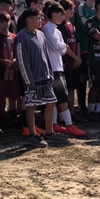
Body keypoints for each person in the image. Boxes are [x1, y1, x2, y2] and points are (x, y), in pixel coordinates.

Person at [15, 8, 60, 147]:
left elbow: (46, 55)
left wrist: (50, 72)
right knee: (31, 105)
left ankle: (49, 132)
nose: (41, 21)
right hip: (32, 79)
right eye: (38, 18)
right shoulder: (22, 36)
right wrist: (28, 80)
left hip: (45, 77)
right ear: (29, 19)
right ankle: (32, 133)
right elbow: (21, 60)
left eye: (41, 18)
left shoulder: (41, 35)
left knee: (51, 102)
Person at [43, 1, 85, 137]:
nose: (63, 17)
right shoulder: (48, 29)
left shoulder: (56, 30)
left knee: (58, 98)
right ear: (54, 15)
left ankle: (55, 123)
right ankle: (68, 124)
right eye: (61, 14)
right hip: (53, 68)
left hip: (58, 66)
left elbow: (61, 49)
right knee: (61, 99)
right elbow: (57, 46)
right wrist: (64, 46)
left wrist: (63, 46)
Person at [0, 12, 20, 132]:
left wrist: (15, 61)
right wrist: (3, 61)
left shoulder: (14, 37)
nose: (4, 24)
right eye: (1, 22)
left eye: (6, 22)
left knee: (13, 96)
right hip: (0, 73)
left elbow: (18, 53)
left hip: (13, 72)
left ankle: (13, 118)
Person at [58, 0, 82, 124]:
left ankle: (71, 112)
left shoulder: (71, 25)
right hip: (65, 63)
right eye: (70, 9)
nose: (72, 11)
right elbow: (64, 46)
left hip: (74, 62)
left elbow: (77, 42)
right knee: (64, 90)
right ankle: (63, 115)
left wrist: (78, 57)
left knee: (72, 88)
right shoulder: (60, 27)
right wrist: (75, 57)